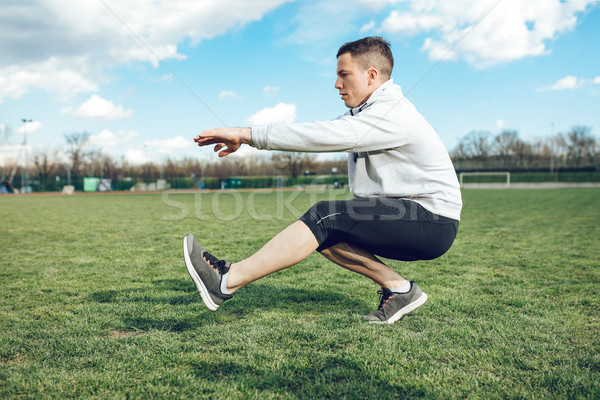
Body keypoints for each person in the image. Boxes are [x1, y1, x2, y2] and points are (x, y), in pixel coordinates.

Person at [183, 37, 462, 324]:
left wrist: (245, 134)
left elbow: (321, 136)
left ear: (371, 76)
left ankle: (227, 281)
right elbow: (324, 130)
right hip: (415, 217)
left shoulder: (390, 114)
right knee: (325, 232)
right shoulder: (368, 113)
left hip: (432, 221)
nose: (337, 84)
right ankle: (400, 289)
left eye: (344, 74)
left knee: (323, 216)